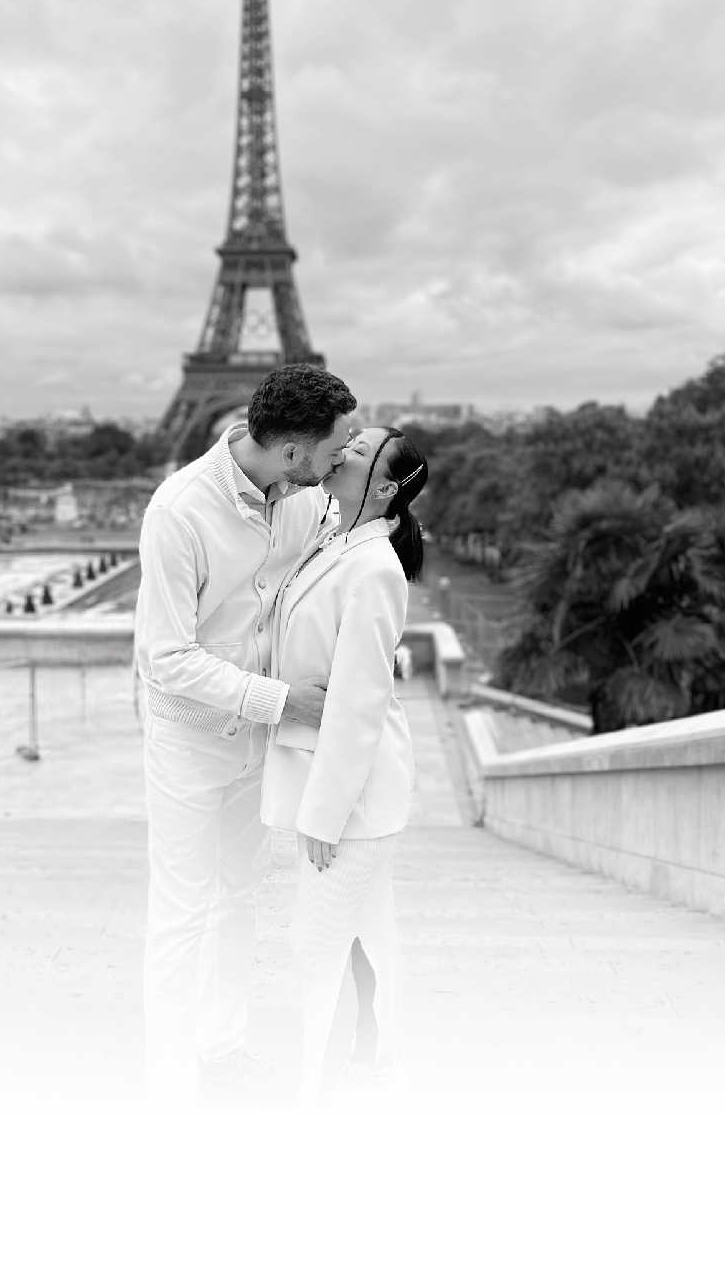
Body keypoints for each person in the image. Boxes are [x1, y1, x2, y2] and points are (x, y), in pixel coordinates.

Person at [135, 363, 357, 1114]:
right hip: (189, 739)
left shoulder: (305, 499)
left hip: (257, 739)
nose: (339, 459)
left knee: (236, 901)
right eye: (334, 447)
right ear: (292, 450)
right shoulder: (179, 510)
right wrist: (283, 700)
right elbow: (165, 657)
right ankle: (168, 1092)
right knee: (180, 913)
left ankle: (221, 1048)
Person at [261, 426, 428, 1114]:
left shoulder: (374, 566)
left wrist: (324, 813)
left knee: (317, 942)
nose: (343, 451)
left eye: (358, 451)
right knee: (361, 933)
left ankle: (355, 1073)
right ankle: (375, 1063)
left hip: (353, 794)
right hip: (333, 778)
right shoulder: (335, 535)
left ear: (385, 487)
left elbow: (360, 701)